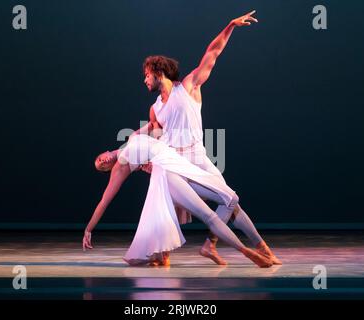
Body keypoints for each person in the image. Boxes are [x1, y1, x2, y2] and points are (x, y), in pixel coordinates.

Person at [133, 10, 281, 265]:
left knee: (231, 202)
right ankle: (168, 252)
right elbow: (155, 135)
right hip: (176, 165)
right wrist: (143, 159)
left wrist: (230, 26)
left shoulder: (188, 86)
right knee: (181, 206)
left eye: (147, 74)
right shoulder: (155, 107)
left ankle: (227, 246)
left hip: (198, 157)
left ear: (158, 71)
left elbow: (212, 54)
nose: (144, 79)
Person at [82, 134, 273, 268]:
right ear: (109, 169)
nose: (102, 162)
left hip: (179, 164)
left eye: (99, 159)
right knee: (208, 215)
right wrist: (89, 229)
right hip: (168, 173)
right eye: (101, 167)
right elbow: (104, 201)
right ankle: (246, 251)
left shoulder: (132, 138)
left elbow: (156, 127)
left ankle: (165, 255)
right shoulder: (119, 167)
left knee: (231, 198)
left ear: (105, 151)